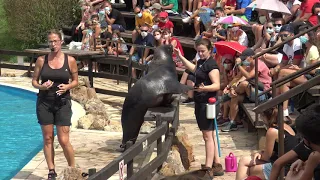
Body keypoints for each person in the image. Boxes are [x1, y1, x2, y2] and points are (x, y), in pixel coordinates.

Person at [31, 29, 78, 180]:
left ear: (61, 42)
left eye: (55, 41)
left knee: (64, 140)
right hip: (44, 102)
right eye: (50, 41)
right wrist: (42, 86)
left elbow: (76, 81)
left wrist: (68, 87)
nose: (53, 44)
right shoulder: (41, 60)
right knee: (48, 138)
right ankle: (51, 171)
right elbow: (34, 81)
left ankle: (73, 168)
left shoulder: (70, 60)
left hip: (63, 103)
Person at [174, 38, 224, 176]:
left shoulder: (212, 65)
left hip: (208, 103)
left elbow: (217, 85)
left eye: (203, 51)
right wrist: (180, 56)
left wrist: (204, 89)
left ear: (210, 50)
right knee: (210, 134)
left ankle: (207, 168)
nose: (200, 54)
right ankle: (216, 163)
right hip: (201, 102)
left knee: (207, 136)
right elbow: (194, 69)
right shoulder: (202, 63)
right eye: (198, 51)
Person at [235, 105, 299, 180]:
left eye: (261, 116)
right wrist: (260, 153)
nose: (261, 119)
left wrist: (257, 154)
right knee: (244, 160)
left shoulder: (272, 131)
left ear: (265, 116)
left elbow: (266, 157)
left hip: (281, 168)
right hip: (287, 164)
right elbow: (273, 151)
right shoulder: (286, 126)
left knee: (247, 168)